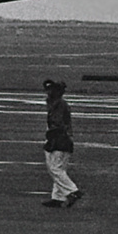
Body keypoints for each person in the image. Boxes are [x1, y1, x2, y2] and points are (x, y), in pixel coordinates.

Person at [43, 79, 81, 208]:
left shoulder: (58, 105)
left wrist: (50, 136)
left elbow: (57, 124)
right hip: (64, 139)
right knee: (60, 168)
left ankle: (72, 191)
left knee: (55, 168)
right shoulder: (59, 103)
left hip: (59, 139)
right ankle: (58, 196)